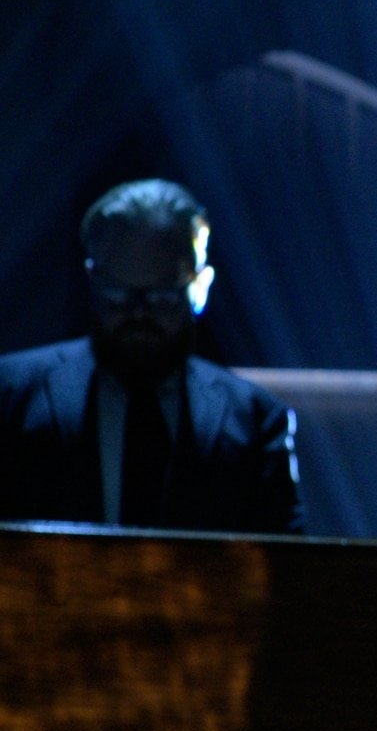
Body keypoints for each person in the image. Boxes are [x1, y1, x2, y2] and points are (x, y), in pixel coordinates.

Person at [0, 179, 303, 534]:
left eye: (161, 298)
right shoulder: (8, 399)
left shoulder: (257, 421)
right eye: (118, 296)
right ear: (91, 279)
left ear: (200, 285)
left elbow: (287, 558)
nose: (139, 314)